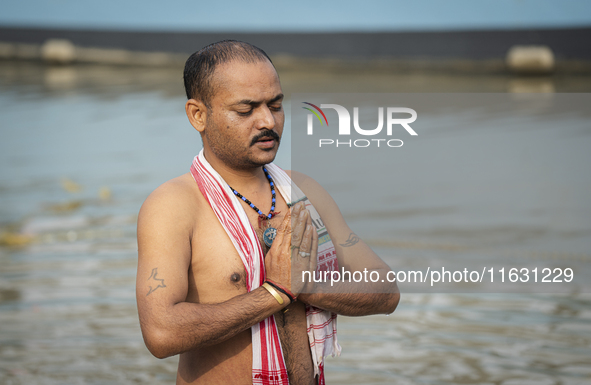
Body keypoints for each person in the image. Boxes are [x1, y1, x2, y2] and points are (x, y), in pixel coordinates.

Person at [136, 40, 399, 385]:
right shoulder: (173, 205)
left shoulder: (304, 191)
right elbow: (161, 333)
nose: (267, 121)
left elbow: (386, 290)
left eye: (275, 105)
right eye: (246, 111)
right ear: (198, 115)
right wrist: (273, 293)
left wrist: (306, 287)